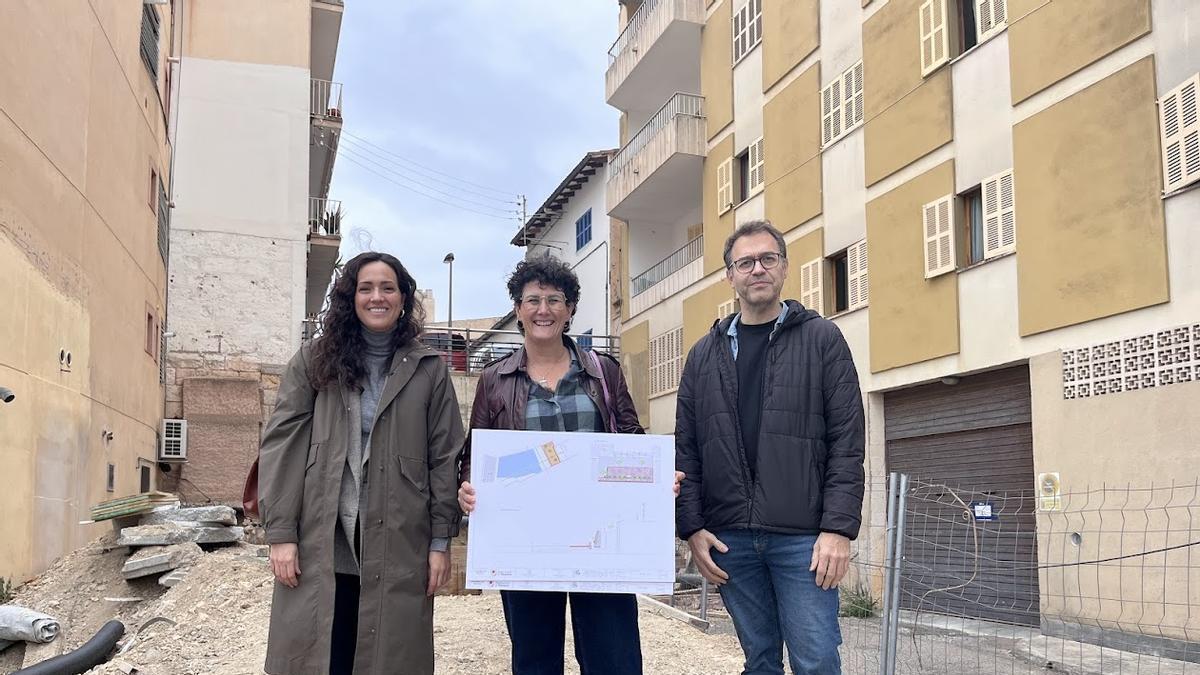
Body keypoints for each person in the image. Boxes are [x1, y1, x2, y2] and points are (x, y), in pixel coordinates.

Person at [258, 251, 464, 675]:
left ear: (403, 298)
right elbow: (282, 445)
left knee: (388, 659)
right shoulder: (314, 362)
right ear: (350, 297)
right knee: (323, 655)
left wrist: (440, 541)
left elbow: (445, 457)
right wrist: (281, 533)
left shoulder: (429, 369)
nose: (377, 297)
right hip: (324, 539)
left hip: (399, 542)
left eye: (388, 288)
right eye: (366, 288)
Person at [675, 220, 865, 675]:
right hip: (730, 539)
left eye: (767, 259)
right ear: (730, 275)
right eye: (745, 262)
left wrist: (838, 529)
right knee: (759, 663)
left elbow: (847, 440)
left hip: (804, 540)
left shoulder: (823, 339)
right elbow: (687, 448)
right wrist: (693, 529)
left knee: (816, 662)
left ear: (783, 267)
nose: (756, 269)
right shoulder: (704, 354)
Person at [457, 255, 651, 675]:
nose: (543, 309)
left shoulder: (603, 371)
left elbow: (632, 441)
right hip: (526, 541)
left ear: (570, 310)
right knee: (535, 660)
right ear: (518, 309)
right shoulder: (494, 379)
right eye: (532, 300)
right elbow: (477, 453)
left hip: (600, 539)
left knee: (613, 659)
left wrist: (652, 480)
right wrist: (470, 486)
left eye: (554, 300)